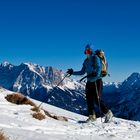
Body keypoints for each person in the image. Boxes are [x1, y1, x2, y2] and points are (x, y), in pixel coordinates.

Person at [67, 44, 113, 122]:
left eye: (88, 50)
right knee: (89, 99)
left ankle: (108, 113)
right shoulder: (86, 61)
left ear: (91, 51)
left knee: (97, 99)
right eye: (86, 50)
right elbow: (82, 72)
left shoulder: (96, 58)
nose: (86, 52)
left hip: (97, 81)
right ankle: (92, 116)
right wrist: (72, 72)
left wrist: (95, 75)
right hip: (89, 82)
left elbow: (98, 68)